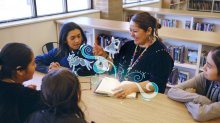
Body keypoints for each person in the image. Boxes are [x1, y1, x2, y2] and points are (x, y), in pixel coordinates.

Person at [93, 12, 174, 98]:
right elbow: (114, 66)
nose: (131, 34)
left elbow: (157, 84)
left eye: (135, 31)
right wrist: (104, 56)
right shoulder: (128, 46)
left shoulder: (161, 54)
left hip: (146, 100)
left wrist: (132, 88)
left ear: (149, 31)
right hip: (122, 94)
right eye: (130, 30)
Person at [167, 47, 220, 121]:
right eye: (205, 63)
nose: (204, 68)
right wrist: (198, 98)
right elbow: (172, 91)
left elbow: (199, 114)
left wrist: (186, 98)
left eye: (209, 66)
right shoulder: (204, 76)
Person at [0, 43, 45, 123]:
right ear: (20, 70)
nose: (35, 66)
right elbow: (53, 99)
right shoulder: (27, 96)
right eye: (33, 63)